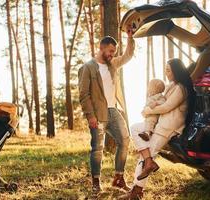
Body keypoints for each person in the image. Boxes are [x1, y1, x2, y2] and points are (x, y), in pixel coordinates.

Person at [119, 58, 196, 199]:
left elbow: (167, 107)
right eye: (165, 69)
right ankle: (149, 162)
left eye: (168, 70)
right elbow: (160, 101)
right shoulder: (172, 85)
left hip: (168, 127)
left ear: (176, 71)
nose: (166, 73)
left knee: (146, 155)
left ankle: (136, 192)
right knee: (135, 128)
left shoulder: (181, 88)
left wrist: (148, 111)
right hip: (160, 124)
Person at [78, 29, 135, 196]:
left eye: (114, 52)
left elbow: (128, 56)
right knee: (97, 148)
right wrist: (90, 116)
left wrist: (130, 39)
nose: (112, 55)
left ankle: (118, 178)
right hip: (98, 114)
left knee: (124, 141)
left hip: (113, 110)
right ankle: (96, 182)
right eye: (110, 51)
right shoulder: (87, 68)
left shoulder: (113, 64)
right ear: (101, 48)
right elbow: (84, 94)